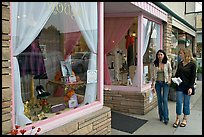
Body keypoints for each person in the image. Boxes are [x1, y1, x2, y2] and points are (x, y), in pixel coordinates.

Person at [173, 48, 196, 128]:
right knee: (179, 102)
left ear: (186, 54)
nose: (180, 55)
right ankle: (177, 118)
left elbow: (193, 77)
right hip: (180, 86)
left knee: (186, 103)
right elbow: (177, 74)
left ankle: (185, 118)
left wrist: (191, 87)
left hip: (188, 87)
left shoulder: (192, 64)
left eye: (181, 53)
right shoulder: (180, 63)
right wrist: (175, 79)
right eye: (180, 53)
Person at [151, 49, 172, 125]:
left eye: (161, 54)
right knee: (159, 100)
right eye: (158, 55)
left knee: (165, 100)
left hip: (165, 83)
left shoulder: (167, 63)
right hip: (158, 83)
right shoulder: (155, 63)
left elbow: (170, 71)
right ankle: (161, 116)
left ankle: (166, 118)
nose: (159, 56)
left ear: (164, 55)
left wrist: (169, 79)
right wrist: (152, 85)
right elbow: (153, 75)